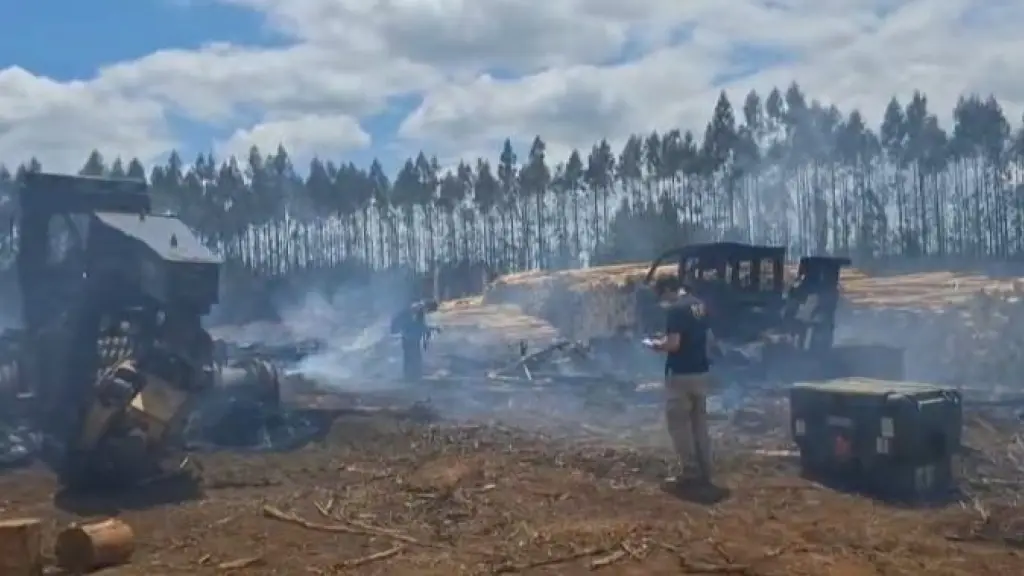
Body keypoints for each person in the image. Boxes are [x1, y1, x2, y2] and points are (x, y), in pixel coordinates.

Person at [644, 284, 717, 489]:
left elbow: (674, 344)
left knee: (679, 425)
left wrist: (655, 345)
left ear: (668, 290)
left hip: (681, 375)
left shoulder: (676, 310)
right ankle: (706, 469)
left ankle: (690, 472)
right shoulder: (699, 305)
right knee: (699, 424)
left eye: (662, 296)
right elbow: (710, 339)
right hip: (701, 373)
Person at [390, 299, 440, 381]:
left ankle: (412, 376)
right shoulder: (417, 309)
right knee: (412, 355)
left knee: (413, 355)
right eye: (430, 311)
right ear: (429, 307)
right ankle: (411, 377)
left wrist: (426, 337)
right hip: (408, 336)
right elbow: (417, 326)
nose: (429, 313)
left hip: (409, 335)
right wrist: (432, 329)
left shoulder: (419, 309)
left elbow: (420, 326)